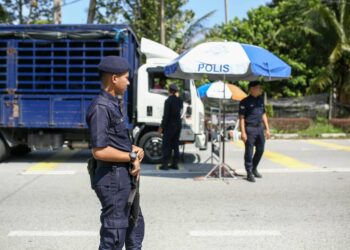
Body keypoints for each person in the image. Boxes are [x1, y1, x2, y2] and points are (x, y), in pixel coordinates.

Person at [86, 56, 145, 249]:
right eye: (126, 78)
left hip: (122, 178)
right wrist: (131, 156)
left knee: (134, 229)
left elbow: (116, 142)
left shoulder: (113, 103)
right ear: (114, 78)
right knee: (114, 237)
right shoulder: (101, 107)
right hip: (112, 179)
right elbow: (100, 151)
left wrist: (134, 150)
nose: (128, 82)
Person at [238, 81, 270, 182]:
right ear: (252, 89)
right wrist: (243, 132)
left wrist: (267, 129)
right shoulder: (244, 101)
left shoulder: (260, 100)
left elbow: (263, 114)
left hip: (259, 128)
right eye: (258, 87)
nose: (260, 89)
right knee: (249, 151)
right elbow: (241, 117)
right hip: (250, 129)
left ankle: (254, 168)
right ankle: (249, 172)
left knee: (260, 150)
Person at [158, 83, 183, 170]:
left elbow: (166, 115)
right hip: (178, 125)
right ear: (176, 91)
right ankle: (175, 164)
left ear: (169, 91)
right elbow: (180, 112)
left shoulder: (168, 101)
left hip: (170, 126)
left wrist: (162, 127)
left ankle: (165, 165)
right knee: (175, 145)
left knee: (166, 145)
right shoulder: (180, 100)